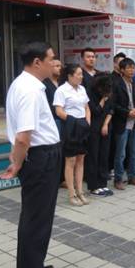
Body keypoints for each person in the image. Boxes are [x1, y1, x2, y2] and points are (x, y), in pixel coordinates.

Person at [1, 41, 63, 268]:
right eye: (51, 59)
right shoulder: (30, 91)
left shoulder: (23, 84)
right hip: (40, 158)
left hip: (39, 156)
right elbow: (23, 136)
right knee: (37, 219)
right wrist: (16, 163)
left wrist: (17, 158)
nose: (55, 63)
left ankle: (31, 265)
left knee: (35, 216)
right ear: (37, 62)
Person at [54, 64, 91, 206]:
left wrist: (87, 122)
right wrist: (73, 122)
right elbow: (59, 111)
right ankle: (71, 194)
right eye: (79, 74)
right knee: (70, 160)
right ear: (70, 76)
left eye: (82, 74)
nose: (81, 77)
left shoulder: (82, 89)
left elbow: (86, 107)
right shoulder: (61, 90)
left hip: (82, 125)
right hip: (70, 126)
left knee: (81, 159)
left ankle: (80, 191)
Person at [112, 58, 135, 190]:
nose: (132, 70)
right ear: (122, 70)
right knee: (121, 153)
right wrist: (127, 112)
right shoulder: (116, 84)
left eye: (133, 67)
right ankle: (118, 179)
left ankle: (132, 176)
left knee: (134, 152)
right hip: (122, 123)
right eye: (129, 68)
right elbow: (113, 105)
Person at [85, 74, 114, 197]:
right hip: (94, 128)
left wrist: (105, 124)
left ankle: (102, 183)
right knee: (93, 157)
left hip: (105, 127)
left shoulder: (109, 92)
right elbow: (95, 111)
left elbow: (111, 110)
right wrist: (102, 100)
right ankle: (93, 186)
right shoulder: (90, 93)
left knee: (104, 156)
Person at [44, 58, 62, 131]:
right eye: (57, 66)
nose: (60, 68)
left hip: (63, 118)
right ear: (50, 68)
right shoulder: (44, 84)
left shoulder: (62, 82)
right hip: (51, 119)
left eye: (60, 66)